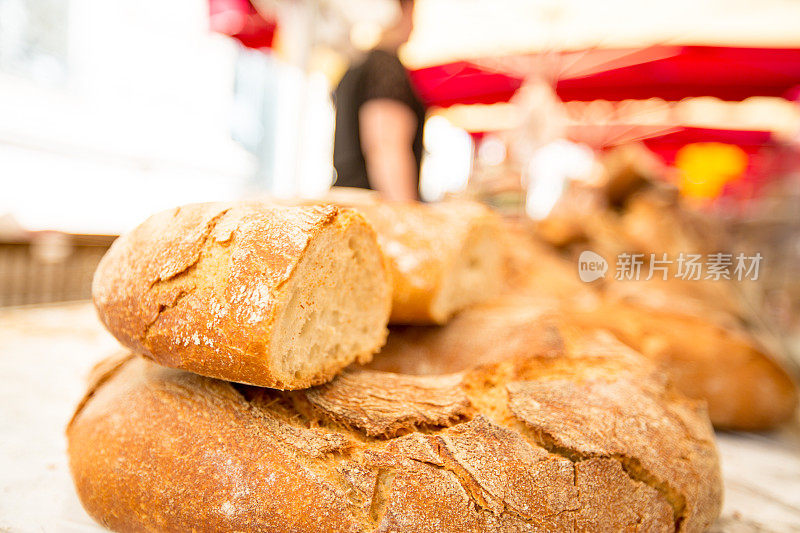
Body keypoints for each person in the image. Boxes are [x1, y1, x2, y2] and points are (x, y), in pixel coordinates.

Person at [332, 0, 425, 201]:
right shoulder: (385, 67)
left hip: (350, 202)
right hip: (375, 213)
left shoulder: (357, 65)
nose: (414, 25)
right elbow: (386, 147)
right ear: (400, 11)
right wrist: (406, 217)